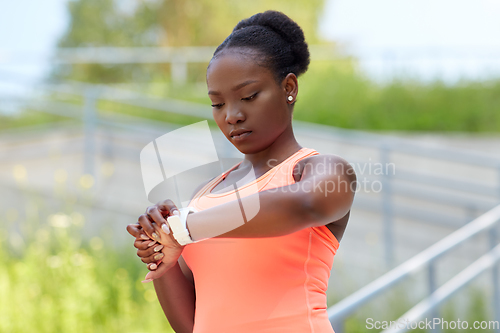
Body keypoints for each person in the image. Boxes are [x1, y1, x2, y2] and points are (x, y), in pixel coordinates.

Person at [126, 10, 357, 333]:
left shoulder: (324, 170)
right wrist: (162, 250)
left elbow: (305, 204)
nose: (232, 115)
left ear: (289, 87)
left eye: (249, 96)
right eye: (217, 104)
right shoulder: (205, 195)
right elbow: (192, 325)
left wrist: (186, 228)